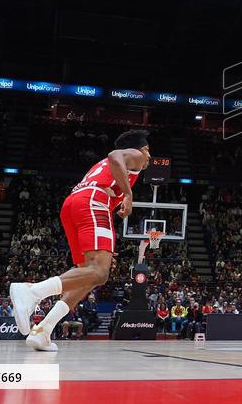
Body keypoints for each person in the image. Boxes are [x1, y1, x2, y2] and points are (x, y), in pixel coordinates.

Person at [9, 130, 150, 352]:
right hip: (94, 203)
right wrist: (129, 195)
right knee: (100, 273)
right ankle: (31, 291)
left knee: (86, 277)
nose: (149, 157)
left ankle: (43, 330)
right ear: (140, 148)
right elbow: (115, 155)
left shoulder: (104, 168)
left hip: (74, 204)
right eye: (148, 150)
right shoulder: (136, 156)